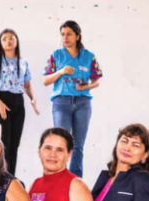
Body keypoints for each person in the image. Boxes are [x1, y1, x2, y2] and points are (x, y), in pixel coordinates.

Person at [43, 20, 103, 178]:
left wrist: (87, 86)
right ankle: (57, 179)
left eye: (69, 34)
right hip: (61, 102)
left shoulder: (88, 56)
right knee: (60, 143)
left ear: (77, 36)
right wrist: (61, 72)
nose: (65, 37)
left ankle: (76, 181)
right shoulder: (56, 55)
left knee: (78, 146)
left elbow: (96, 80)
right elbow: (45, 80)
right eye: (63, 34)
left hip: (83, 103)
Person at [0, 28, 40, 175]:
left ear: (16, 41)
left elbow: (27, 85)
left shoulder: (23, 62)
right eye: (4, 39)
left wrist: (32, 99)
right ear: (0, 43)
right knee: (3, 145)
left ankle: (10, 179)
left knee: (14, 145)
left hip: (18, 102)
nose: (8, 41)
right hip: (2, 99)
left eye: (11, 38)